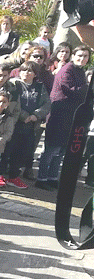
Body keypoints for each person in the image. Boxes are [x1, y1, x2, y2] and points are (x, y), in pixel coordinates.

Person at [38, 45, 92, 190]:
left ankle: (52, 177)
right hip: (59, 114)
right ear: (73, 56)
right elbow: (70, 89)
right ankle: (41, 178)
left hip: (71, 116)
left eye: (85, 56)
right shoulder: (67, 69)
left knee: (61, 150)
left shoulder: (80, 71)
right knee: (51, 149)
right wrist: (88, 85)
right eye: (79, 55)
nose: (82, 59)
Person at [0, 60, 49, 188]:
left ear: (35, 74)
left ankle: (14, 176)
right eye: (23, 70)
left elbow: (47, 104)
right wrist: (24, 115)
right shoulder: (14, 84)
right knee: (6, 151)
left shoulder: (40, 87)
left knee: (21, 152)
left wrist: (35, 115)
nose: (26, 73)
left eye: (30, 71)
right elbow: (11, 103)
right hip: (13, 123)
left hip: (30, 126)